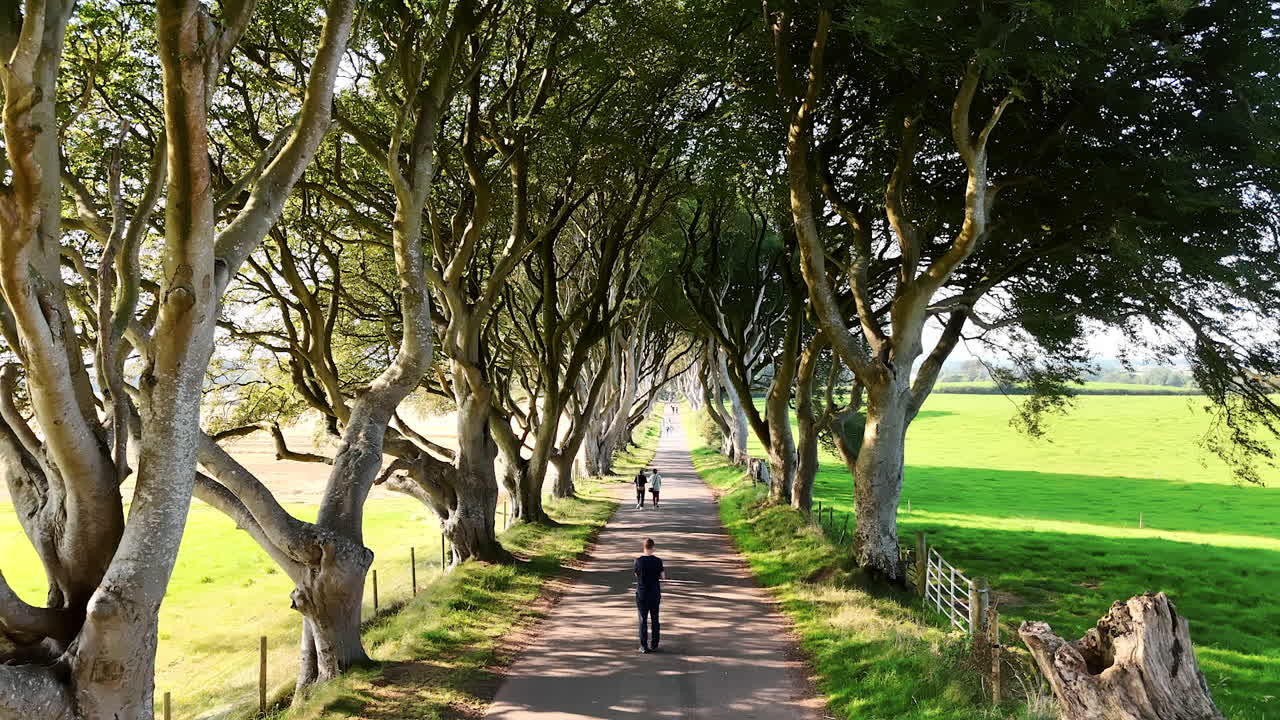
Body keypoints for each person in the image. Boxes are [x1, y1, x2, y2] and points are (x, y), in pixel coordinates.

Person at [634, 537, 665, 652]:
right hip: (655, 593)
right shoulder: (658, 561)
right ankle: (654, 644)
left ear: (643, 547)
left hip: (642, 593)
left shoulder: (638, 561)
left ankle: (643, 646)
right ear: (653, 548)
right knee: (655, 619)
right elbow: (663, 577)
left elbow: (636, 575)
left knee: (643, 619)